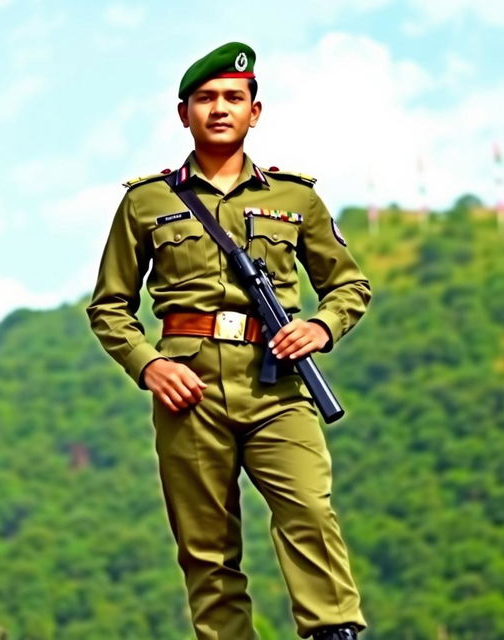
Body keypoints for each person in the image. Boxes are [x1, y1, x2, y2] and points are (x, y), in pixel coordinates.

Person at [86, 42, 371, 640]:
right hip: (188, 392)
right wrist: (150, 366)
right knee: (207, 548)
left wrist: (320, 327)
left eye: (234, 98)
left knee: (310, 512)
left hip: (279, 387)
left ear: (255, 112)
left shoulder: (295, 198)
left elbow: (348, 284)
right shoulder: (146, 202)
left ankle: (333, 631)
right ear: (183, 111)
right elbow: (110, 307)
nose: (220, 108)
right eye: (207, 98)